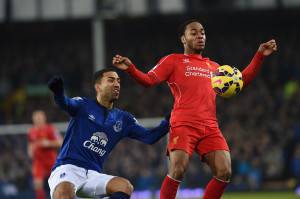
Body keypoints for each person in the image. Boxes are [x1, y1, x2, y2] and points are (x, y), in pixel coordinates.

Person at [112, 19, 277, 199]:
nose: (200, 36)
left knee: (224, 171)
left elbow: (241, 81)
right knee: (178, 169)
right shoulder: (173, 60)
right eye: (194, 32)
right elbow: (148, 80)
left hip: (210, 127)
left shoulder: (215, 68)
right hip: (184, 123)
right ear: (183, 39)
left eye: (203, 32)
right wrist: (131, 69)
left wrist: (259, 55)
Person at [47, 68, 170, 199]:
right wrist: (58, 92)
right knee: (64, 192)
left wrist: (168, 121)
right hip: (68, 168)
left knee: (125, 187)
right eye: (111, 80)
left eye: (118, 81)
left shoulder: (123, 119)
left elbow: (149, 137)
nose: (117, 84)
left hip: (93, 174)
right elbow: (64, 103)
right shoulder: (83, 105)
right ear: (98, 87)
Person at [28, 110, 62, 199]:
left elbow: (60, 142)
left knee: (57, 184)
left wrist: (48, 143)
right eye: (36, 118)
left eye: (40, 118)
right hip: (39, 161)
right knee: (37, 184)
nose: (38, 120)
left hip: (51, 160)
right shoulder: (31, 131)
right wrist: (30, 151)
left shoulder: (51, 129)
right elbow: (31, 143)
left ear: (44, 118)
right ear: (33, 119)